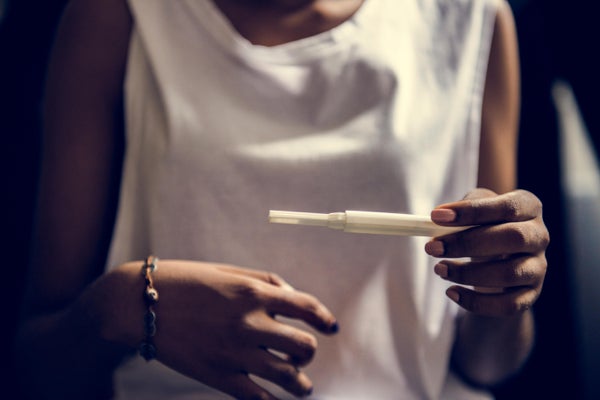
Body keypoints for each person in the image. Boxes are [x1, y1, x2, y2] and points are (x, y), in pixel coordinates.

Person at [15, 0, 549, 399]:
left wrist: (506, 289)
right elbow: (37, 362)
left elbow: (489, 364)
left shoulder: (469, 20)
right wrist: (130, 302)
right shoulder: (120, 16)